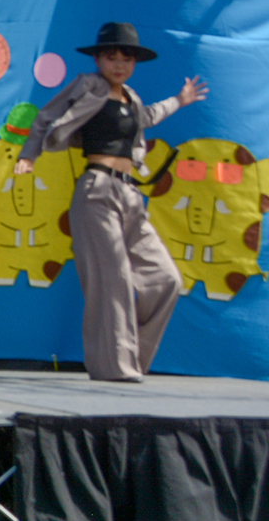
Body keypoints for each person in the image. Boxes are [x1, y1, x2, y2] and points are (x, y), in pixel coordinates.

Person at [14, 22, 206, 382]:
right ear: (98, 59)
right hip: (97, 191)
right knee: (112, 281)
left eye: (126, 58)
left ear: (134, 63)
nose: (119, 64)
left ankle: (131, 358)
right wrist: (29, 155)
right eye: (111, 57)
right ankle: (114, 366)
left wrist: (179, 101)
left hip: (131, 194)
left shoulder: (131, 98)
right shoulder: (88, 86)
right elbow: (46, 117)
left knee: (166, 279)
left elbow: (147, 118)